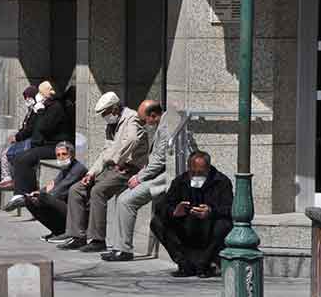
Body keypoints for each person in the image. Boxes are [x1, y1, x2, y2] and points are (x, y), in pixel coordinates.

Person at [58, 92, 149, 252]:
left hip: (128, 168)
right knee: (76, 189)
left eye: (105, 113)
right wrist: (91, 173)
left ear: (114, 109)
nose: (104, 117)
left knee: (98, 191)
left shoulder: (131, 118)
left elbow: (133, 139)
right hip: (111, 168)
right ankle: (77, 235)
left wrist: (119, 160)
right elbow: (105, 151)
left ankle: (97, 239)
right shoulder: (111, 125)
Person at [150, 151, 233, 278]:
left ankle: (204, 265)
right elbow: (162, 206)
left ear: (208, 168)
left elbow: (229, 209)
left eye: (200, 173)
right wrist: (174, 211)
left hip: (209, 229)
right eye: (192, 172)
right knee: (157, 222)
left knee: (224, 225)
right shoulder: (180, 181)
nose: (195, 176)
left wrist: (211, 211)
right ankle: (184, 264)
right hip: (186, 227)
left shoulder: (221, 182)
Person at [101, 100, 166, 262]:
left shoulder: (166, 129)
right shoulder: (163, 125)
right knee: (121, 198)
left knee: (126, 201)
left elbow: (159, 161)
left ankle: (124, 249)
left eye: (144, 120)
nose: (143, 123)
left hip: (164, 178)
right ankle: (119, 247)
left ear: (153, 116)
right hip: (155, 174)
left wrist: (139, 177)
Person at [4, 81, 74, 211]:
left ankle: (24, 194)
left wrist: (40, 113)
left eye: (40, 93)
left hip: (57, 146)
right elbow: (32, 129)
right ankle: (23, 192)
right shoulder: (45, 106)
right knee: (19, 157)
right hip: (44, 144)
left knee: (24, 159)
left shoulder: (56, 107)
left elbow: (45, 128)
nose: (38, 96)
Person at [24, 141, 87, 242]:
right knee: (29, 201)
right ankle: (57, 231)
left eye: (64, 154)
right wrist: (35, 194)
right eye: (58, 155)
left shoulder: (78, 169)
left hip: (78, 212)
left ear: (72, 155)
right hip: (65, 206)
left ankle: (67, 233)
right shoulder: (64, 169)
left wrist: (42, 194)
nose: (61, 157)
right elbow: (52, 185)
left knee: (43, 198)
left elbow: (59, 191)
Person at [0, 84, 39, 191]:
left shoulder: (37, 111)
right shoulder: (31, 111)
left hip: (31, 141)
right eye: (25, 97)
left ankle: (9, 178)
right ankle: (8, 178)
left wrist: (17, 137)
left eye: (28, 97)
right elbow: (25, 127)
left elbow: (30, 129)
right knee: (6, 153)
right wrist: (17, 136)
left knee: (8, 154)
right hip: (25, 140)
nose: (26, 100)